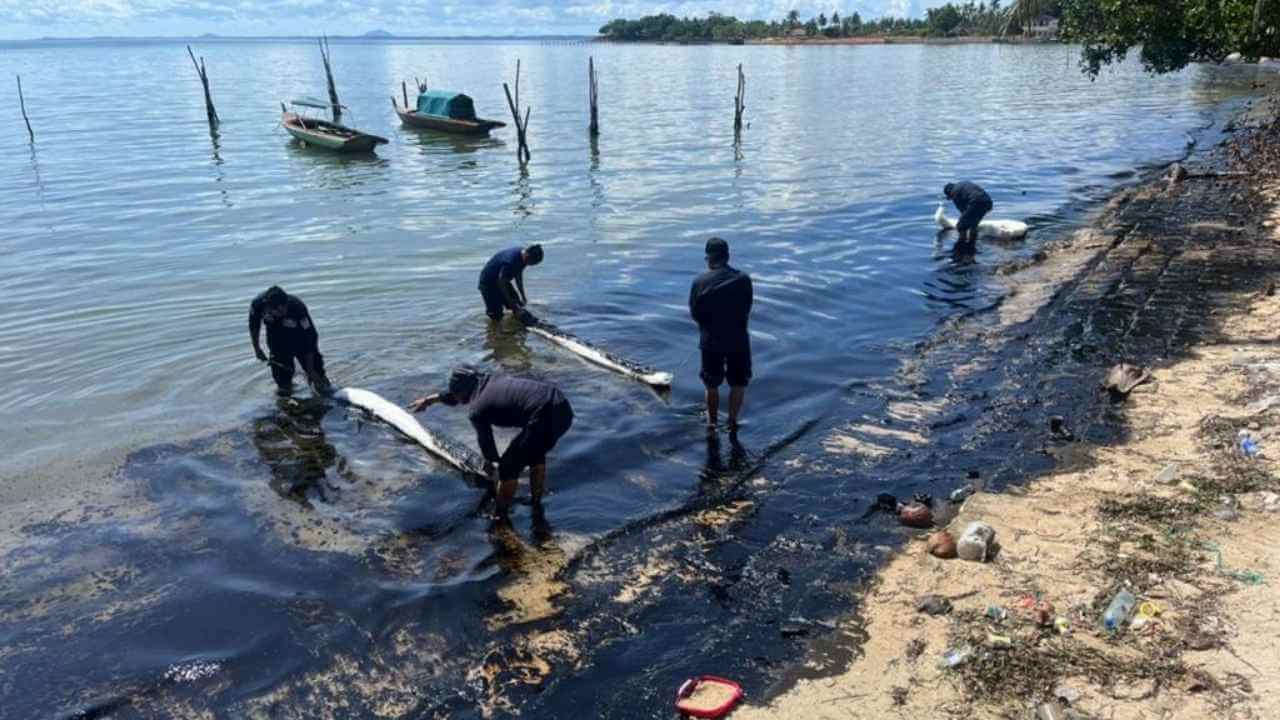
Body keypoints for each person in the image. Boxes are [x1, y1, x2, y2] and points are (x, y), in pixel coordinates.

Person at [409, 367, 573, 516]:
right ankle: (536, 503)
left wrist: (492, 466)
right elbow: (454, 397)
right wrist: (428, 400)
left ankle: (500, 517)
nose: (457, 399)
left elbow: (486, 442)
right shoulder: (489, 381)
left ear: (463, 392)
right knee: (534, 452)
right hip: (562, 406)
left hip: (543, 415)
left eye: (457, 394)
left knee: (508, 466)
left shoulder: (477, 410)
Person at [689, 237, 753, 432]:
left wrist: (708, 326)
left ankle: (712, 423)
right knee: (739, 383)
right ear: (727, 256)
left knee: (711, 384)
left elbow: (695, 313)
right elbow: (746, 308)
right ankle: (733, 422)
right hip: (738, 340)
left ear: (708, 258)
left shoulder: (700, 282)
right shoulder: (743, 279)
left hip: (711, 341)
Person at [248, 285, 332, 396]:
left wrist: (310, 369)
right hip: (276, 339)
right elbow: (254, 326)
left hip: (300, 337)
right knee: (282, 379)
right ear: (268, 307)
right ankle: (288, 403)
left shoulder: (297, 307)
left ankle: (326, 395)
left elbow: (310, 337)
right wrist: (257, 348)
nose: (282, 312)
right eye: (277, 310)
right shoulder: (258, 305)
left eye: (284, 308)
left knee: (317, 374)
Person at [478, 244, 544, 324]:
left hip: (502, 281)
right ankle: (494, 332)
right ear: (527, 256)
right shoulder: (510, 261)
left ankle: (515, 326)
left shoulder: (523, 257)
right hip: (488, 283)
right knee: (496, 314)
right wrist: (510, 300)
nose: (530, 265)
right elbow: (501, 282)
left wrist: (522, 295)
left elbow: (518, 276)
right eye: (531, 263)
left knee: (517, 304)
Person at [944, 181, 994, 252]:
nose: (951, 199)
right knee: (974, 224)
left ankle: (961, 246)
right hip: (988, 202)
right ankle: (972, 245)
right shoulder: (963, 184)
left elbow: (963, 211)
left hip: (975, 202)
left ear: (950, 192)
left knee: (960, 226)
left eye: (950, 197)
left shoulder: (954, 192)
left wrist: (962, 223)